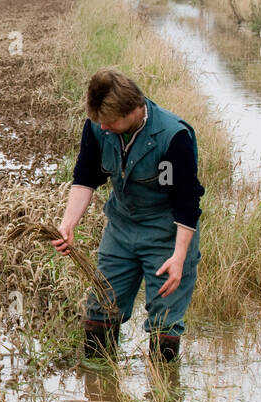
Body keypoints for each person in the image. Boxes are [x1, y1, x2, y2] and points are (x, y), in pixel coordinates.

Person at [52, 68, 204, 362]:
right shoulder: (98, 128)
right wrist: (67, 224)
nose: (104, 128)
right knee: (100, 312)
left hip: (167, 234)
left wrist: (179, 257)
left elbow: (187, 203)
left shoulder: (173, 137)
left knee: (165, 324)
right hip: (121, 229)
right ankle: (102, 394)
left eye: (110, 122)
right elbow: (86, 176)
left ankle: (163, 397)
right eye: (100, 122)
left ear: (134, 110)